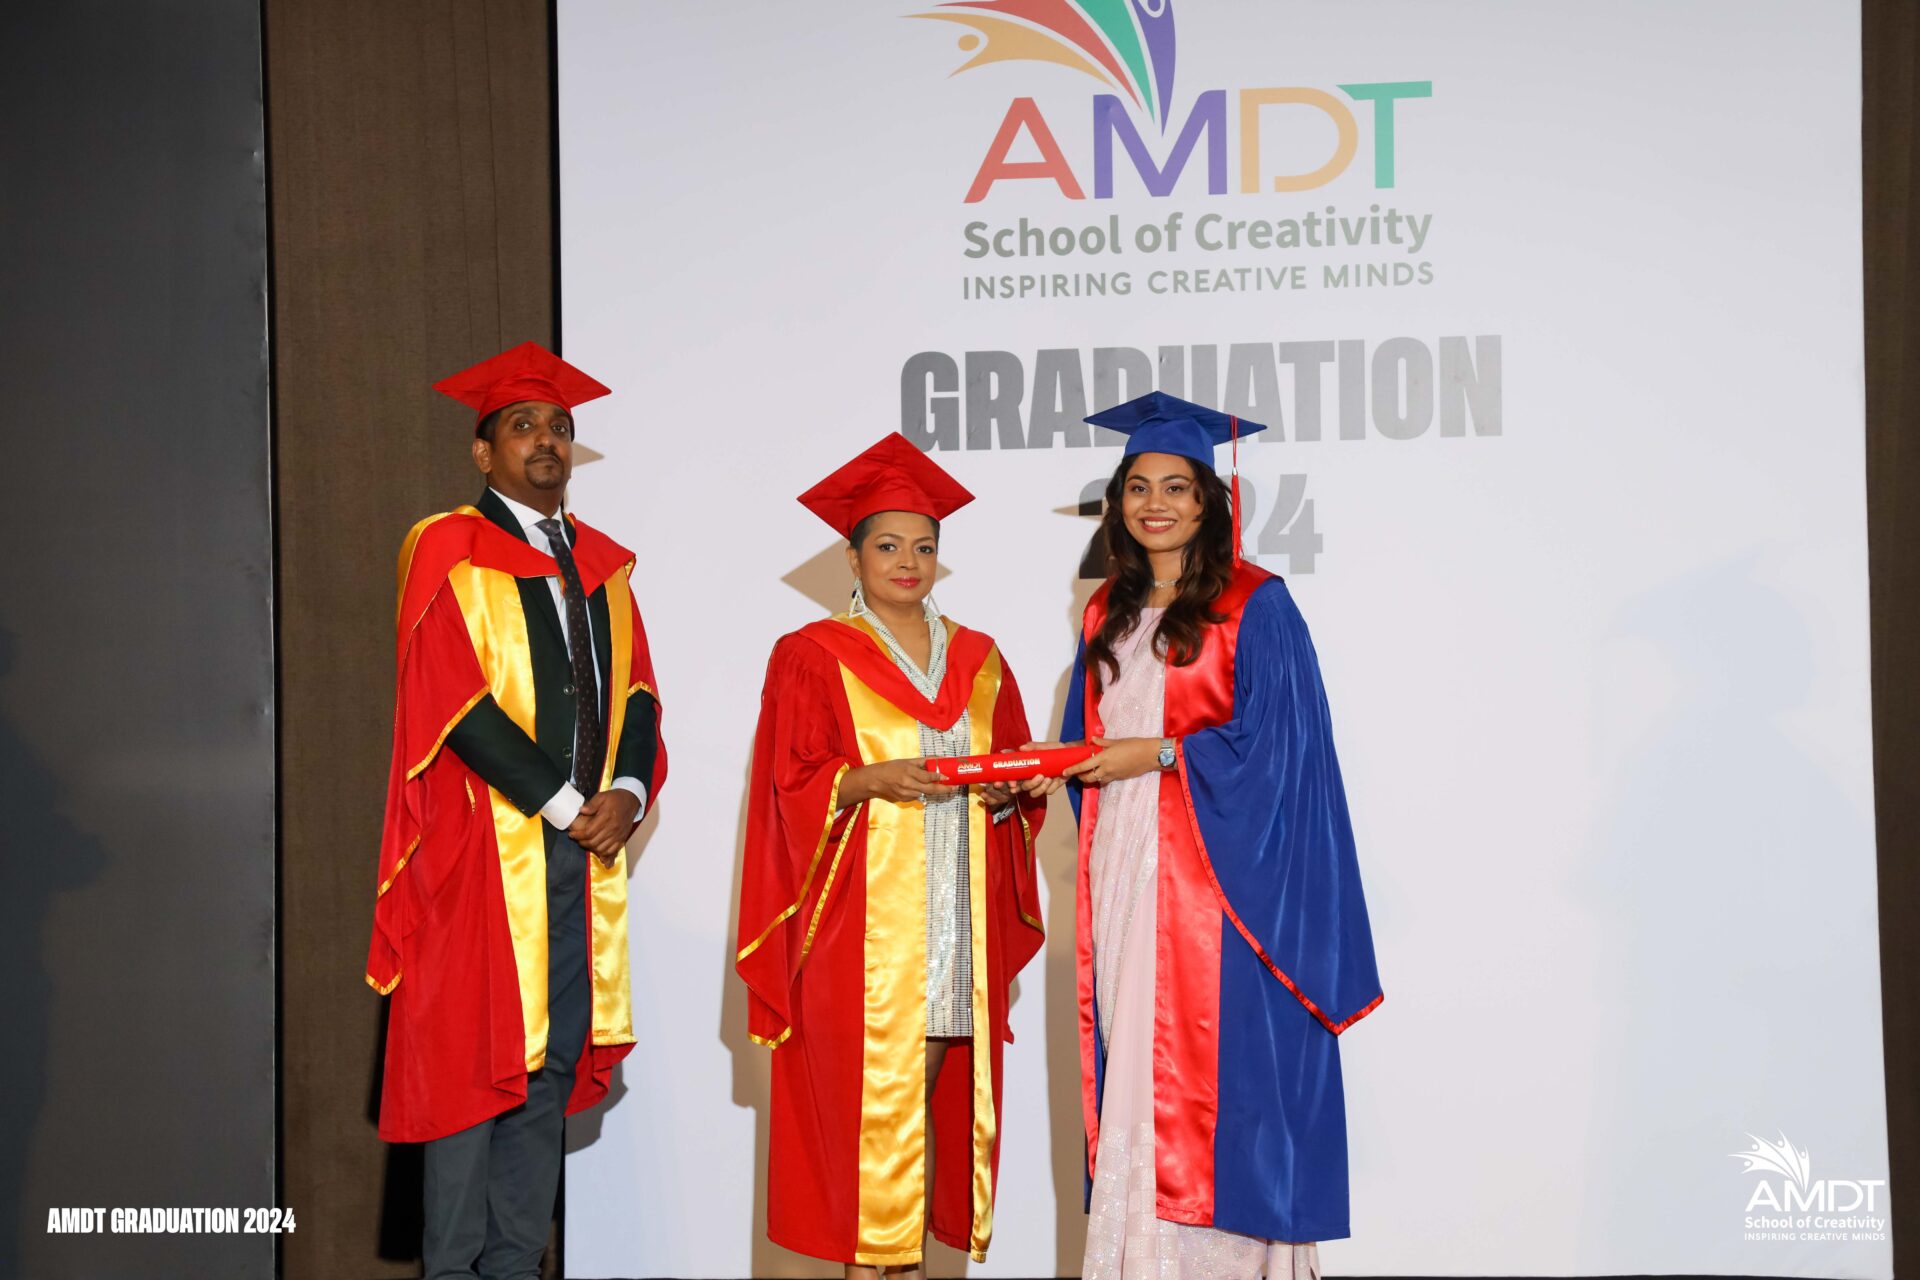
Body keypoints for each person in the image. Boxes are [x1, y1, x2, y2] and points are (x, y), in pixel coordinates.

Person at [1031, 392, 1382, 1280]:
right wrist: (1047, 769)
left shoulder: (1255, 604)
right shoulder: (1105, 610)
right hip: (1122, 866)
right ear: (1118, 502)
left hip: (1216, 879)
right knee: (1132, 1061)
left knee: (1219, 1074)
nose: (1155, 504)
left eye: (1176, 488)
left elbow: (1282, 749)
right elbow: (1088, 737)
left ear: (1209, 501)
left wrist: (1159, 754)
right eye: (1138, 486)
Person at [365, 341, 668, 1280]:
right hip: (479, 856)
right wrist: (573, 804)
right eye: (523, 426)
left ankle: (513, 1266)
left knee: (546, 1073)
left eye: (559, 428)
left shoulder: (603, 566)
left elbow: (639, 695)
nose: (546, 441)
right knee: (471, 1072)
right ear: (483, 451)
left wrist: (626, 794)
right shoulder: (446, 548)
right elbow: (453, 702)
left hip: (578, 860)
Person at [735, 433, 1047, 1276]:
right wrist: (865, 778)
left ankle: (900, 1268)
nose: (908, 562)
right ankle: (872, 1269)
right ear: (853, 556)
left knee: (920, 1112)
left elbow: (1015, 767)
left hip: (956, 921)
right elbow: (788, 785)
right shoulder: (812, 655)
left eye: (924, 547)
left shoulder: (981, 659)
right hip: (860, 930)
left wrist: (1017, 790)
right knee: (870, 1117)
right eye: (887, 545)